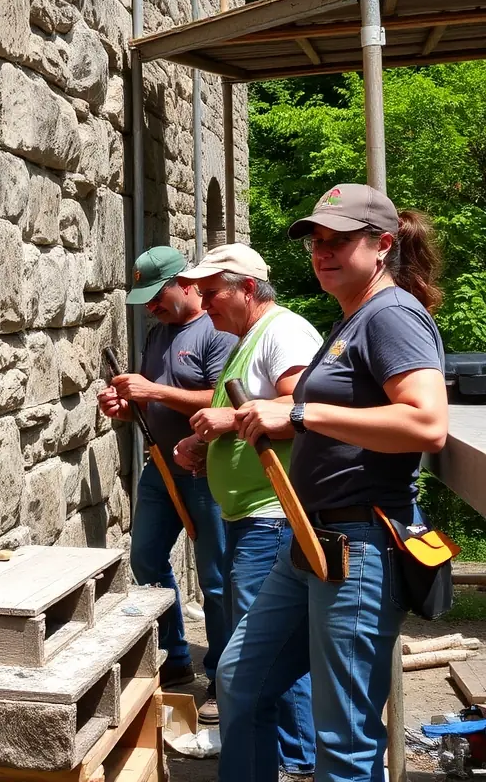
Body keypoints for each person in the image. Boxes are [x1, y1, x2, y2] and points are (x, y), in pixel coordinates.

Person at [216, 184, 449, 782]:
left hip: (360, 546)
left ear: (383, 245)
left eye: (341, 240)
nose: (324, 252)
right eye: (317, 242)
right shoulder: (352, 320)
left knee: (343, 738)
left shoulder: (393, 315)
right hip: (311, 544)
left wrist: (298, 413)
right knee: (241, 679)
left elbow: (427, 423)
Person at [172, 244, 321, 779]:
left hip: (272, 517)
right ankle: (287, 754)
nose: (204, 304)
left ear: (248, 289)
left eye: (212, 294)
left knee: (268, 650)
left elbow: (298, 409)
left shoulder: (283, 332)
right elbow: (244, 416)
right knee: (262, 649)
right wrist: (203, 447)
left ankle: (296, 759)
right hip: (248, 515)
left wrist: (227, 424)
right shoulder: (243, 341)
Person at [98, 245, 235, 720]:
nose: (152, 306)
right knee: (147, 559)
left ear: (187, 284)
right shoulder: (158, 334)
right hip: (159, 466)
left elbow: (219, 400)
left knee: (218, 580)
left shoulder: (218, 332)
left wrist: (152, 390)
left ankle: (221, 676)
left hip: (208, 470)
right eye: (146, 299)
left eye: (158, 295)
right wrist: (124, 404)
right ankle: (176, 660)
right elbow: (148, 397)